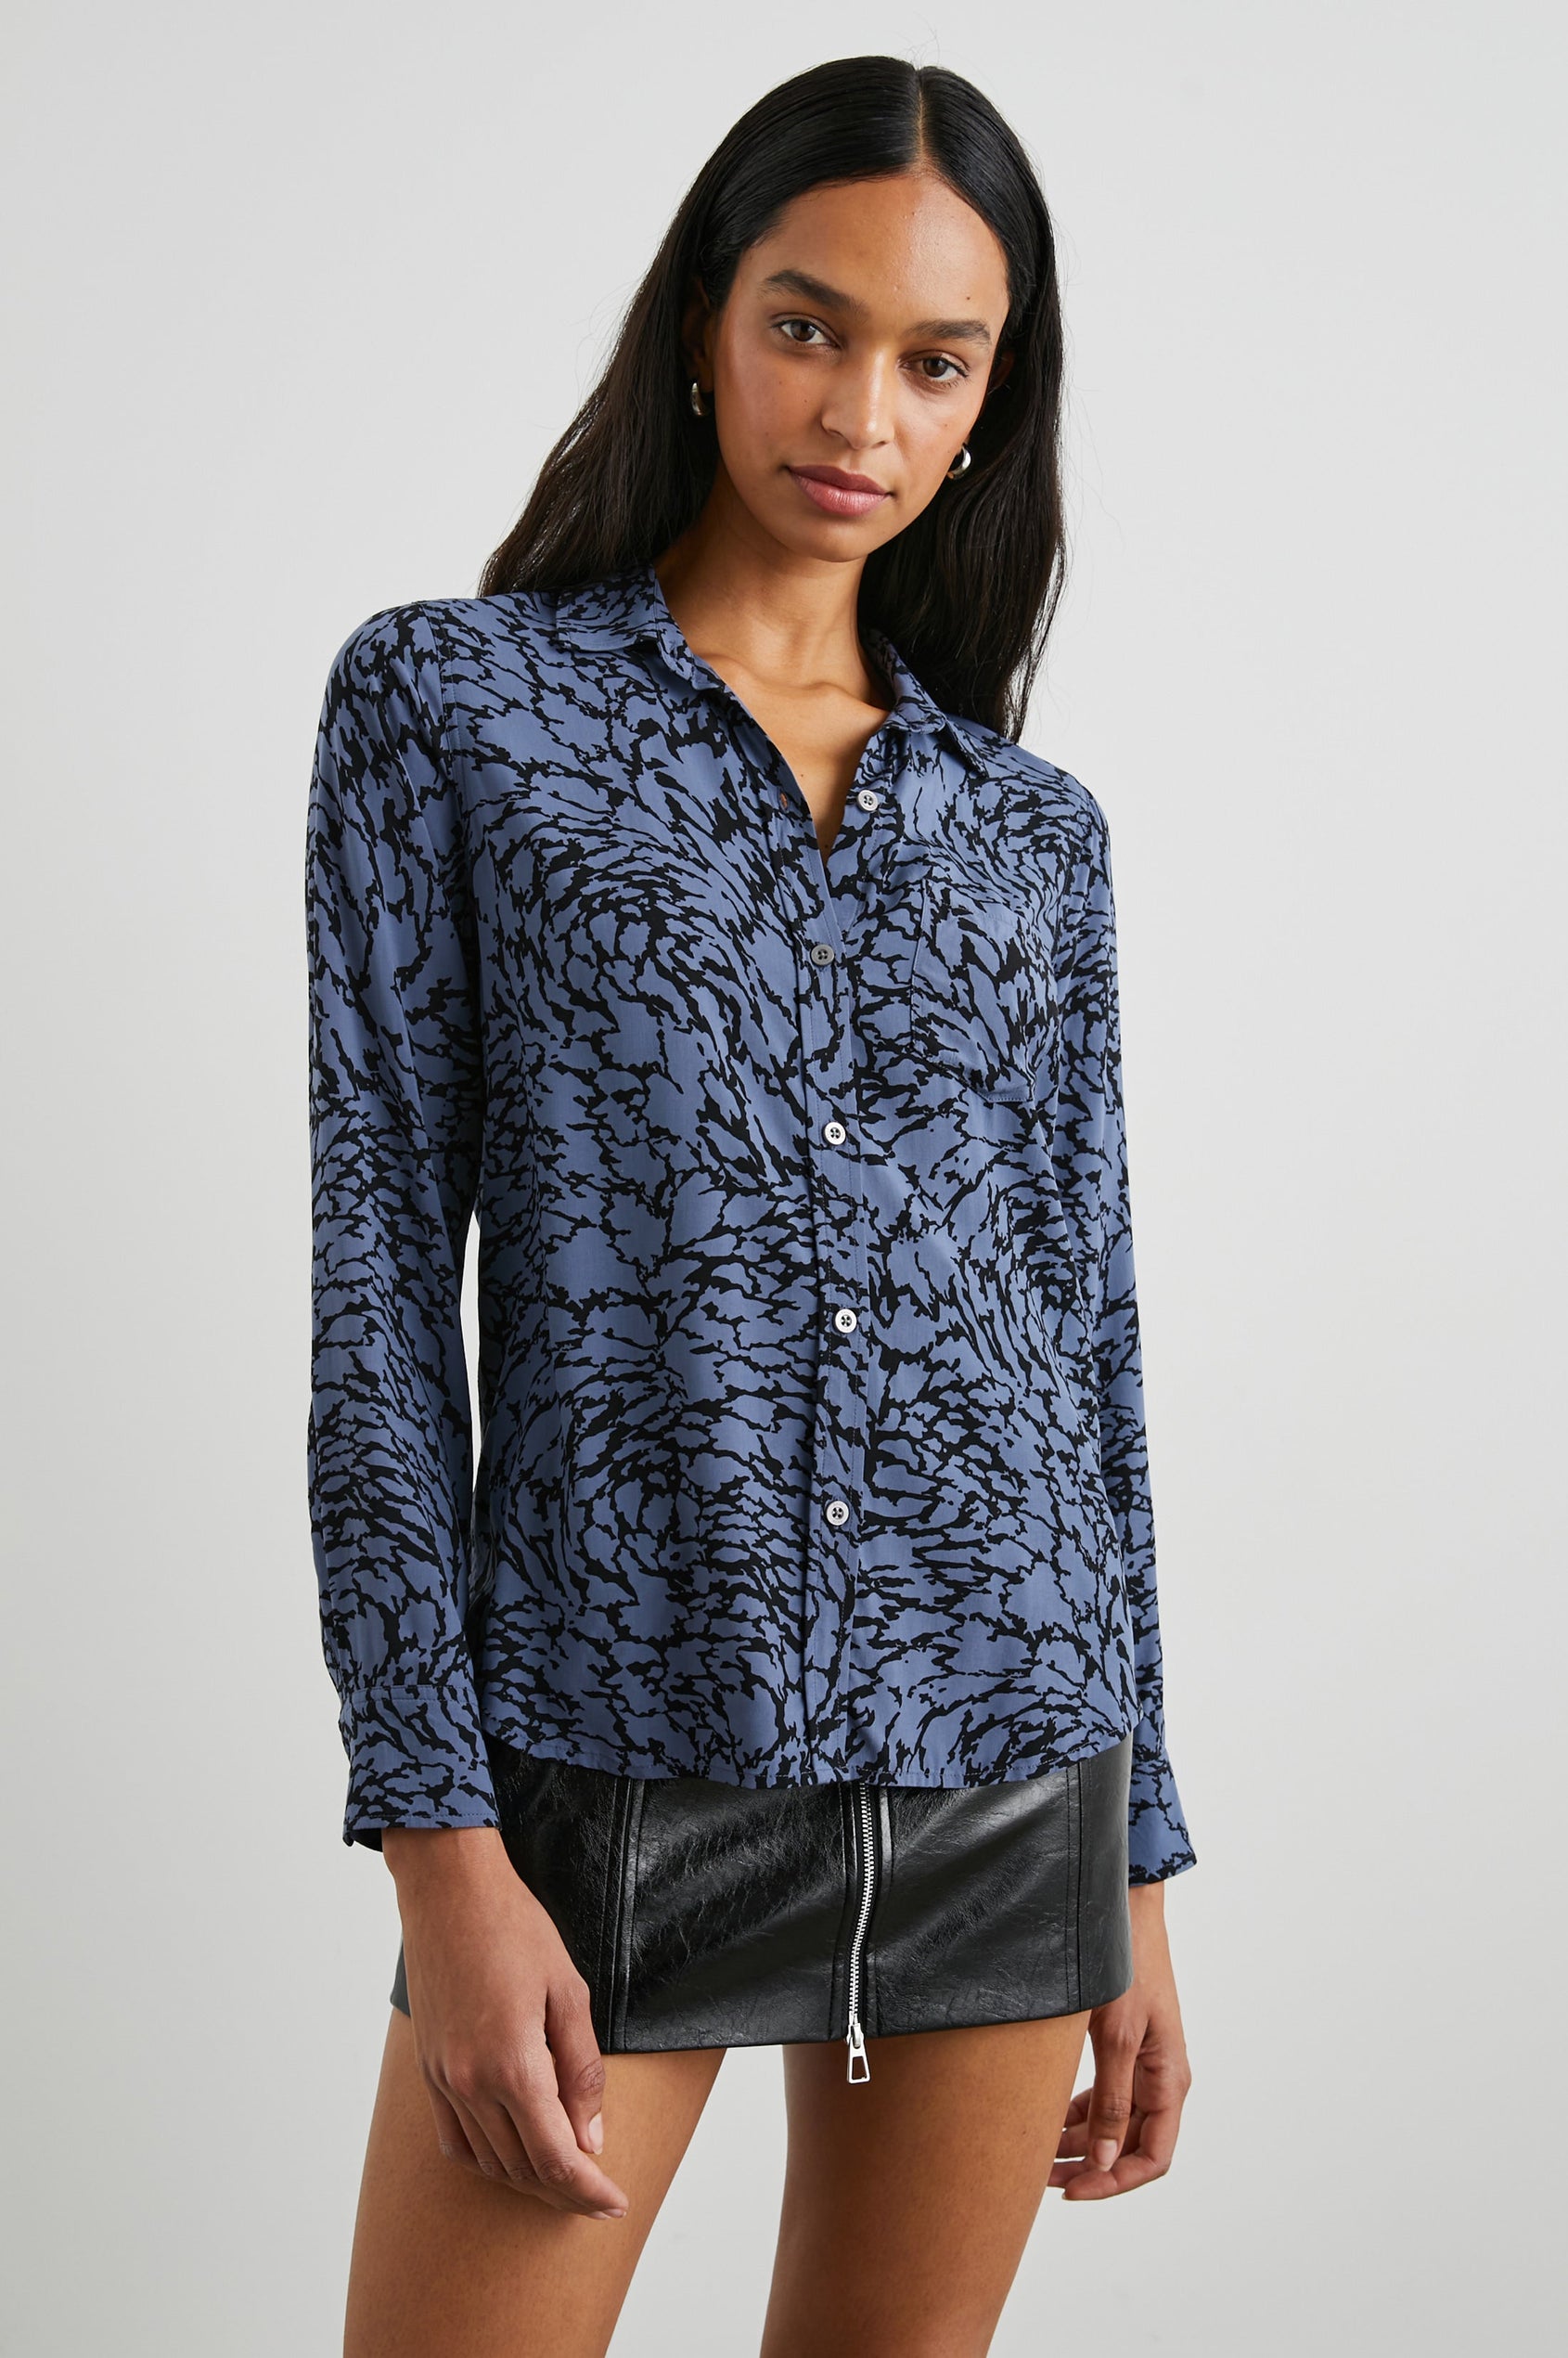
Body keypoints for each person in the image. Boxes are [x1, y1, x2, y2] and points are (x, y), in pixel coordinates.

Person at [306, 52, 1197, 2358]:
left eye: (935, 359)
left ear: (991, 400)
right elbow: (378, 1300)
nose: (859, 412)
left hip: (1009, 1776)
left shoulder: (1030, 835)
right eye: (809, 325)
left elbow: (1079, 1338)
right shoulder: (456, 711)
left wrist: (1136, 1853)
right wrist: (439, 1844)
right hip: (608, 1768)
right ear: (705, 319)